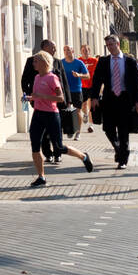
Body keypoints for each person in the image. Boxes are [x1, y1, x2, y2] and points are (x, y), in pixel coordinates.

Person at [24, 50, 94, 186]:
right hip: (38, 114)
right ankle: (41, 177)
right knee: (34, 146)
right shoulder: (37, 77)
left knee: (59, 147)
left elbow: (60, 98)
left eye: (36, 61)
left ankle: (83, 157)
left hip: (51, 115)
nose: (33, 64)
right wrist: (30, 98)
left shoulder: (52, 78)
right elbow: (37, 95)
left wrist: (42, 97)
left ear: (44, 62)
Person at [88, 34, 138, 169]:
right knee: (108, 128)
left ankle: (123, 159)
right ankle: (118, 147)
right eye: (107, 46)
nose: (110, 48)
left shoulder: (130, 61)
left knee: (124, 129)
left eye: (111, 45)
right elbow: (96, 80)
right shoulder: (103, 61)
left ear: (118, 44)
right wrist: (94, 97)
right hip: (109, 98)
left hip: (125, 98)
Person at [61, 44, 90, 138]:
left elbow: (87, 76)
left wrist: (79, 75)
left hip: (76, 90)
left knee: (77, 111)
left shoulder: (79, 63)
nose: (66, 52)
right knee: (66, 111)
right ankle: (69, 130)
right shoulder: (61, 63)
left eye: (68, 50)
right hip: (65, 91)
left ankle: (78, 132)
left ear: (72, 51)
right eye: (65, 50)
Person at [79, 44, 99, 131]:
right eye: (83, 50)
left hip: (92, 85)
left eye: (86, 50)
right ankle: (85, 114)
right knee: (83, 105)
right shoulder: (79, 61)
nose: (85, 52)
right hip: (82, 86)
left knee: (91, 105)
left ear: (89, 51)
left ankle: (91, 125)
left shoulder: (94, 60)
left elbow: (99, 73)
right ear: (81, 51)